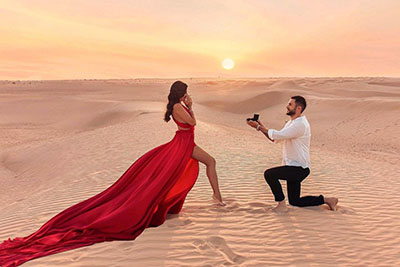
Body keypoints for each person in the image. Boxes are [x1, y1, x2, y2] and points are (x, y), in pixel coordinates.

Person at [0, 80, 224, 267]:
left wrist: (189, 106)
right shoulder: (178, 106)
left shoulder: (178, 105)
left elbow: (191, 127)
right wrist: (191, 106)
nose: (188, 94)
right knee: (167, 179)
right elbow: (193, 122)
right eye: (186, 92)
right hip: (181, 145)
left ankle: (215, 196)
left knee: (206, 163)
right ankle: (199, 200)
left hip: (185, 143)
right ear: (180, 93)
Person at [246, 96, 338, 212]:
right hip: (292, 166)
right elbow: (275, 139)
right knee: (295, 201)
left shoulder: (300, 124)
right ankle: (328, 200)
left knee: (269, 174)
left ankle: (281, 205)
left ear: (298, 108)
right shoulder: (292, 122)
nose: (287, 106)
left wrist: (259, 127)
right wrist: (260, 126)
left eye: (290, 104)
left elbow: (278, 135)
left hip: (299, 168)